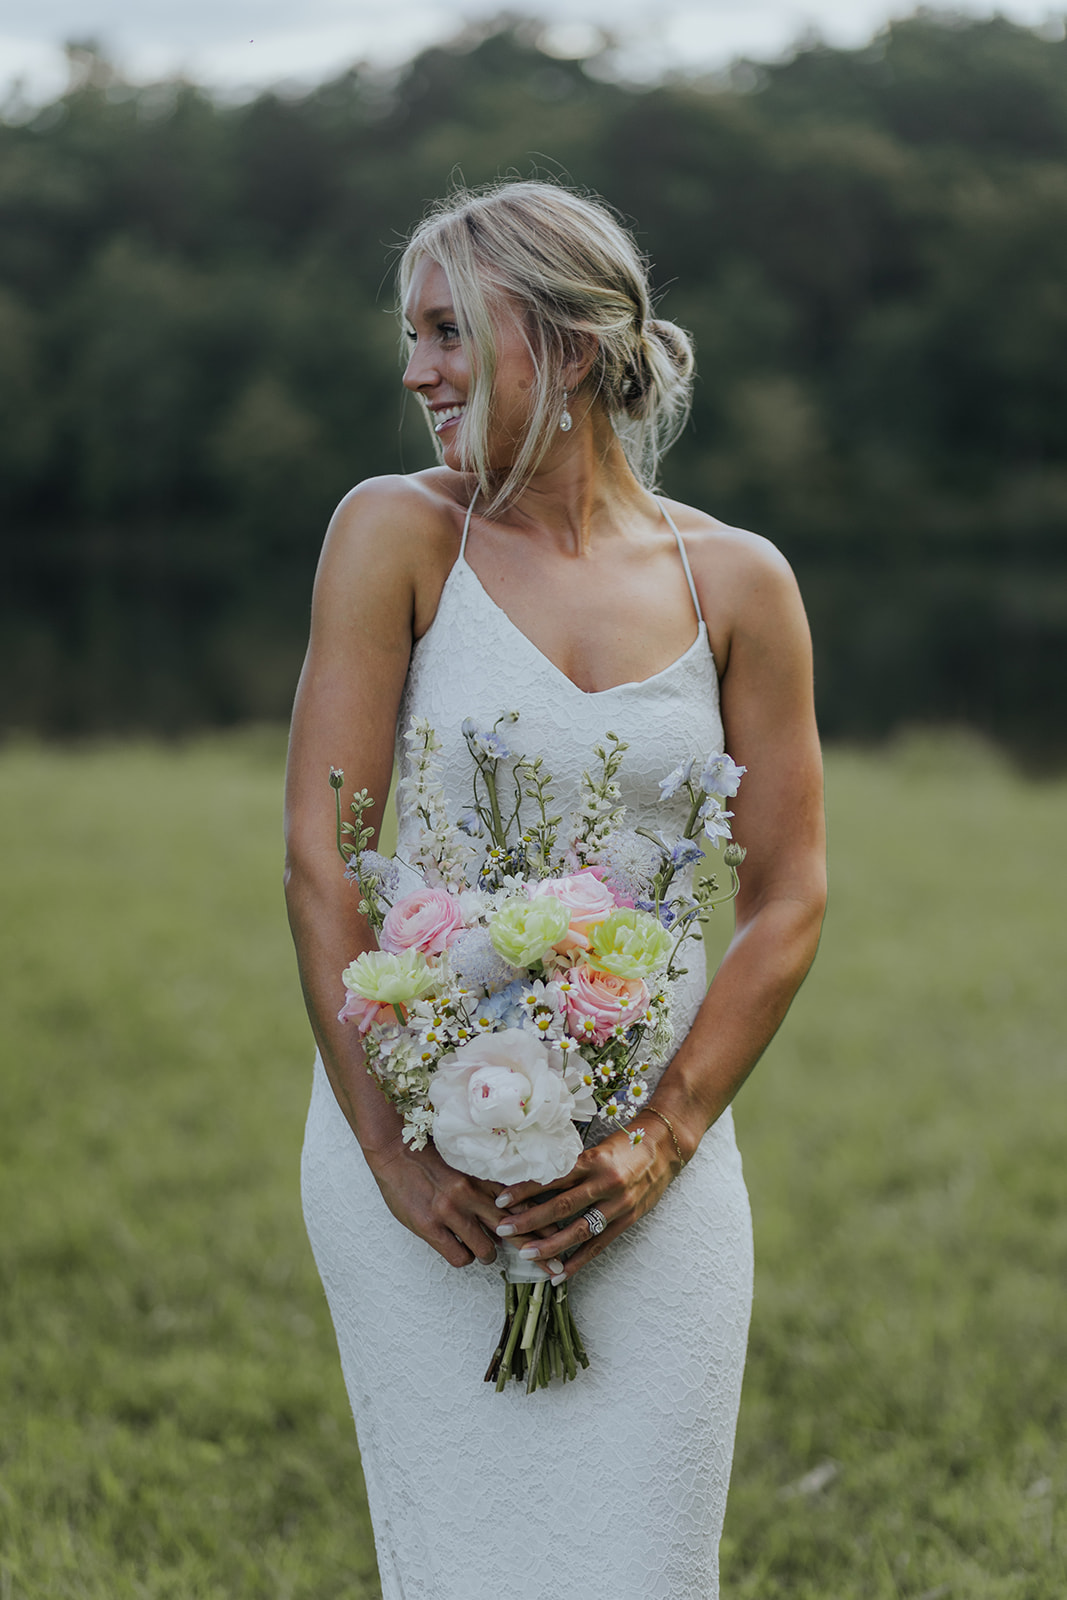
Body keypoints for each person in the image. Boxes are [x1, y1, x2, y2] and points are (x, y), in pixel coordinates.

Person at [285, 179, 826, 1600]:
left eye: (451, 332)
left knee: (646, 1566)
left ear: (572, 346)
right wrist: (396, 1154)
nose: (416, 372)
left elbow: (788, 895)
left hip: (657, 1172)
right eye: (411, 336)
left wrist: (659, 1141)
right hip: (425, 1168)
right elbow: (320, 857)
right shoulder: (394, 534)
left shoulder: (741, 585)